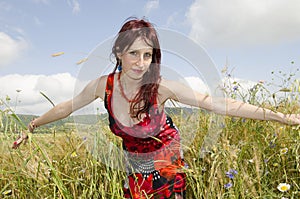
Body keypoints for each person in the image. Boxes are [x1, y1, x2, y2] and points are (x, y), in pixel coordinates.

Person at [13, 18, 300, 199]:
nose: (141, 62)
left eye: (147, 55)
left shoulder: (162, 87)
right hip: (134, 167)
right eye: (133, 54)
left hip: (167, 160)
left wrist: (279, 116)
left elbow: (216, 103)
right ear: (118, 54)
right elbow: (66, 107)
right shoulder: (104, 85)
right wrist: (32, 125)